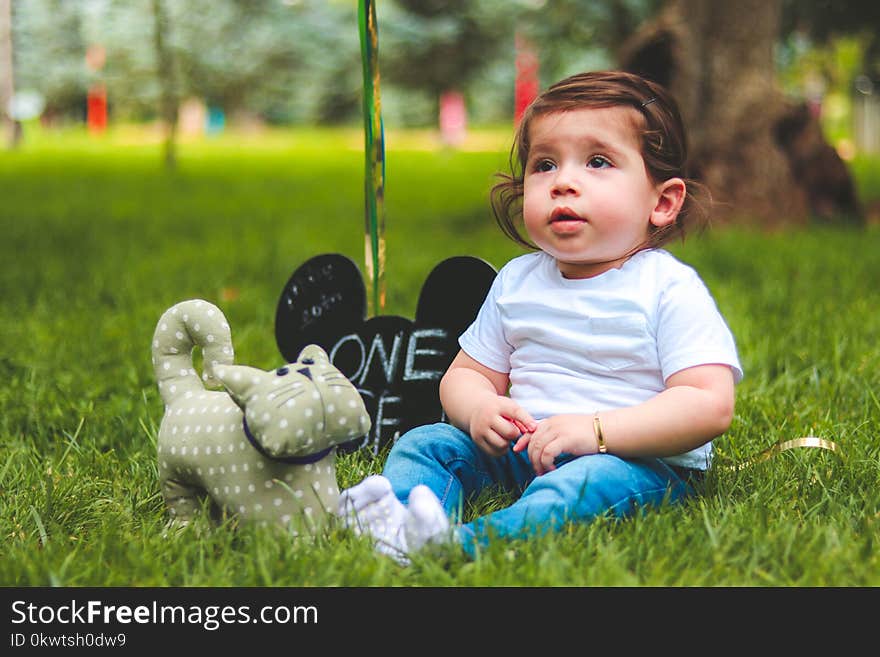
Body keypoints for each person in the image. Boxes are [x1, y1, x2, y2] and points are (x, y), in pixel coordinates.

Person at [337, 70, 743, 563]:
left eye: (597, 162)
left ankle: (466, 544)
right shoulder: (517, 281)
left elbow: (708, 403)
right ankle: (396, 523)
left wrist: (597, 432)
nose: (564, 183)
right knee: (431, 441)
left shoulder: (666, 288)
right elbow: (463, 377)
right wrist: (480, 409)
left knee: (582, 484)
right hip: (524, 450)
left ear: (662, 202)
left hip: (634, 459)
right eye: (545, 164)